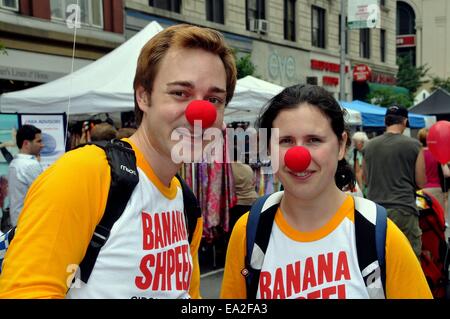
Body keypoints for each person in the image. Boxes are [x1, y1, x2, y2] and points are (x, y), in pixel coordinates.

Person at [0, 24, 237, 298]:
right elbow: (26, 291)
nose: (201, 113)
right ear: (143, 97)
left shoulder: (187, 204)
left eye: (214, 99)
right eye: (180, 93)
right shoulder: (85, 173)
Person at [220, 84, 431, 299]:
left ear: (341, 146)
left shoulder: (381, 236)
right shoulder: (249, 231)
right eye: (285, 141)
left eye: (314, 140)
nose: (298, 156)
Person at [362, 105, 426, 257]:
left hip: (375, 212)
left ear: (385, 121)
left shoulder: (368, 146)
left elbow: (365, 179)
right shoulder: (414, 145)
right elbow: (421, 182)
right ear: (405, 121)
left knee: (380, 257)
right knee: (408, 258)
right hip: (403, 209)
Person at [7, 124, 44, 228]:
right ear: (26, 143)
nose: (42, 145)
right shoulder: (30, 165)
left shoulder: (15, 163)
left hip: (18, 223)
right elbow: (45, 194)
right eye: (39, 141)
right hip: (30, 225)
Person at [417, 128, 448, 212]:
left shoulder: (417, 154)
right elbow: (446, 173)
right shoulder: (437, 153)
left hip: (421, 191)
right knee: (439, 217)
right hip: (436, 189)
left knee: (423, 217)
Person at [350, 131, 368, 195]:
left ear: (362, 142)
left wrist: (360, 188)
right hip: (359, 183)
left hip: (362, 185)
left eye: (356, 142)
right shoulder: (355, 152)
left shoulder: (361, 153)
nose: (354, 144)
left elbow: (358, 172)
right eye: (354, 141)